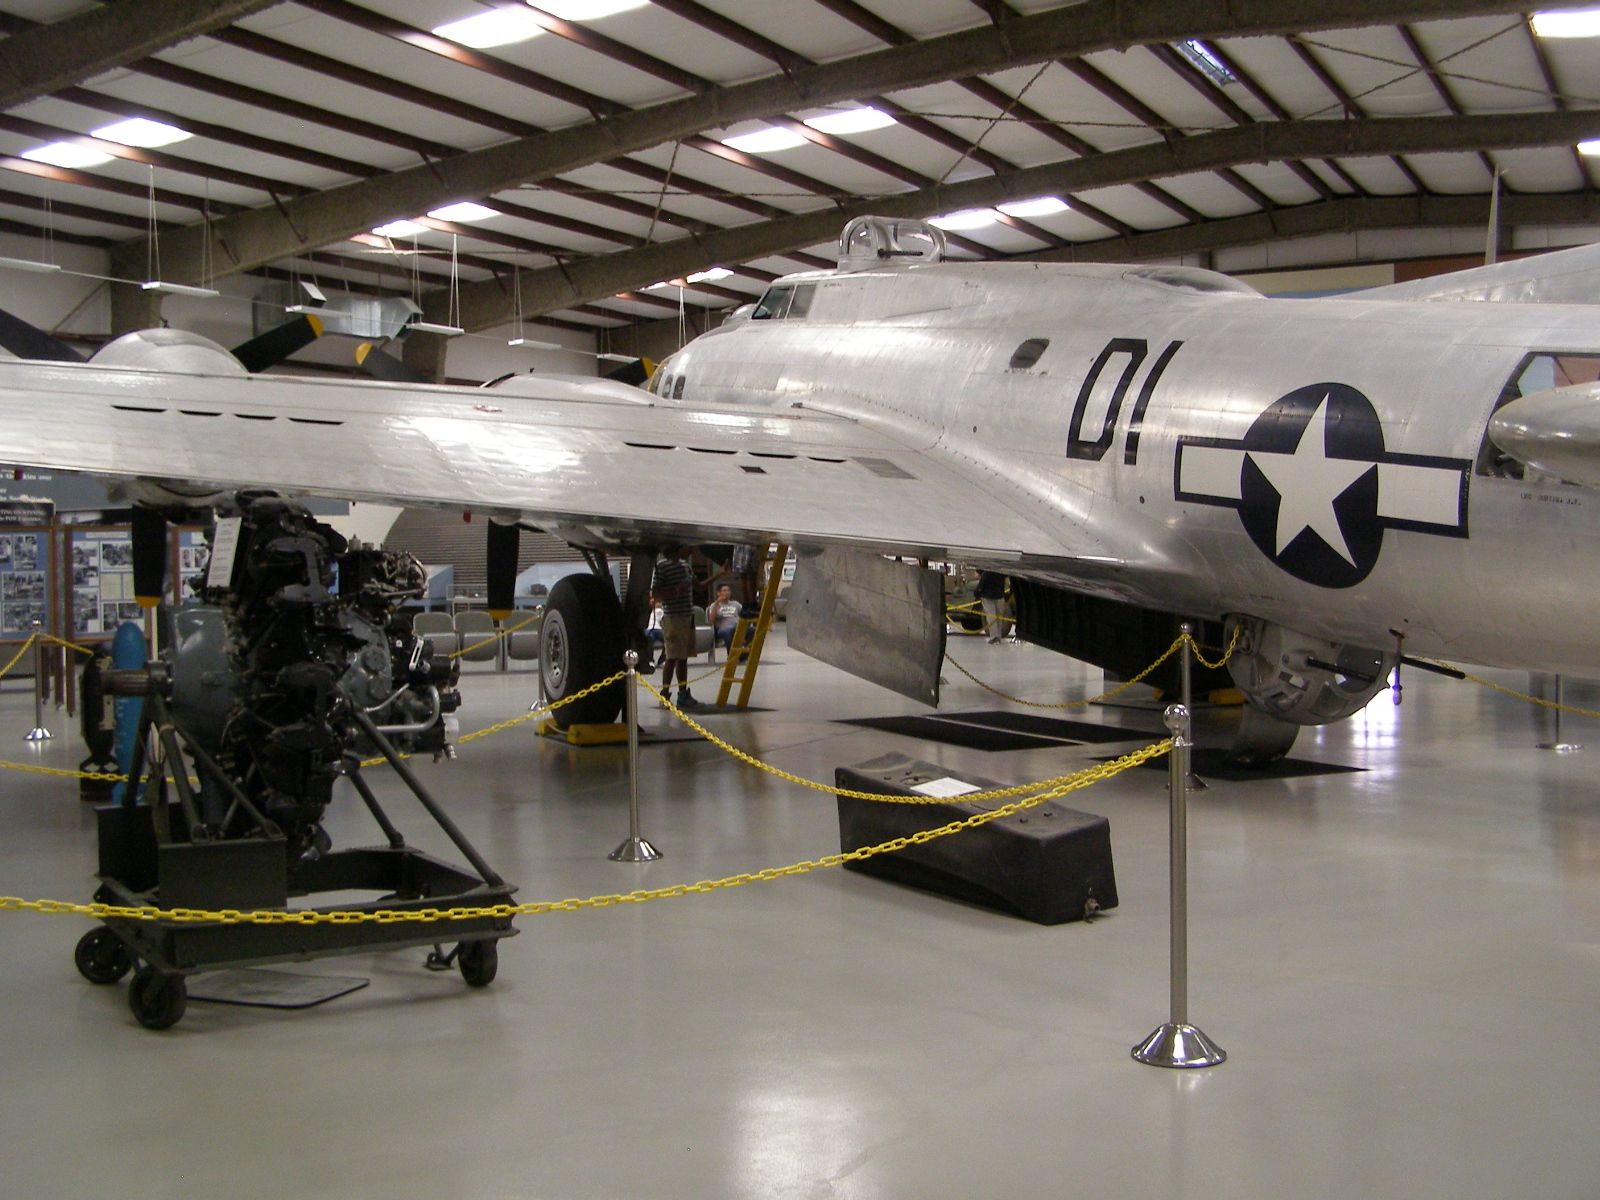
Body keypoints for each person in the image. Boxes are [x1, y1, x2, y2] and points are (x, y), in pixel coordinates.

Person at [652, 547, 699, 708]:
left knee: (683, 657)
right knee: (671, 657)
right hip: (673, 617)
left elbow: (698, 586)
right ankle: (664, 694)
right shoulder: (662, 566)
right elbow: (656, 593)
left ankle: (682, 693)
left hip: (687, 615)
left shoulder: (686, 565)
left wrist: (719, 574)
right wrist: (675, 591)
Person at [975, 570, 1010, 643]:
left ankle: (993, 637)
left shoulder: (986, 572)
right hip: (1000, 596)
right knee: (999, 618)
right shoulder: (1001, 571)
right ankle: (998, 637)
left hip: (988, 597)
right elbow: (1007, 583)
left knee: (991, 617)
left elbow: (981, 585)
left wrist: (977, 593)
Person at [708, 582, 741, 649]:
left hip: (737, 627)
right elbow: (710, 621)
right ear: (718, 593)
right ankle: (731, 655)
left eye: (729, 590)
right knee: (728, 632)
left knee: (752, 630)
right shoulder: (714, 605)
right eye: (724, 590)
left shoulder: (735, 604)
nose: (727, 592)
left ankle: (744, 654)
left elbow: (744, 613)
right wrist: (717, 603)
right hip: (724, 629)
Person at [643, 593, 664, 666]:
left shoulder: (660, 611)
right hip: (651, 629)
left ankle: (652, 660)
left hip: (656, 629)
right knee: (649, 640)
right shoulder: (649, 611)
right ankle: (652, 660)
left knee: (669, 640)